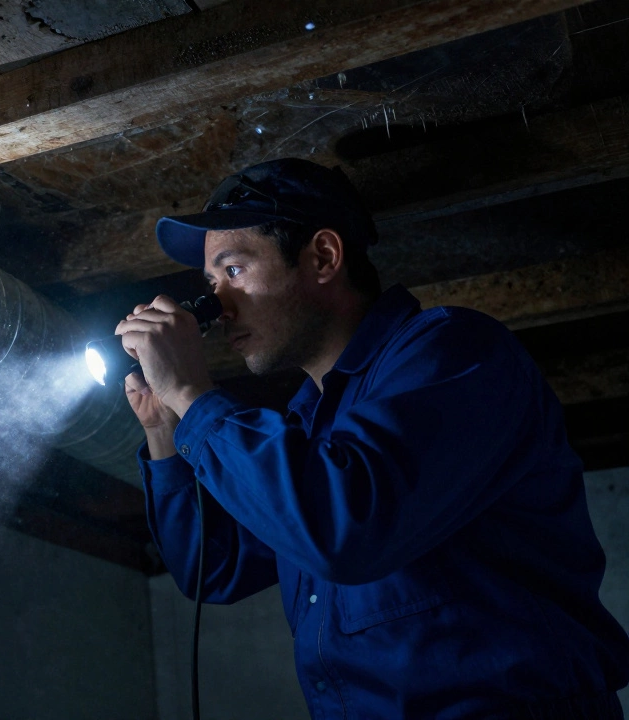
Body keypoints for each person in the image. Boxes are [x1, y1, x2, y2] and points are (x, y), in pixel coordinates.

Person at [115, 158, 629, 719]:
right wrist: (167, 430)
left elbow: (343, 526)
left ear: (323, 257)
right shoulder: (304, 428)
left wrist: (193, 392)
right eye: (211, 285)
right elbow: (214, 567)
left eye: (233, 271)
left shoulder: (453, 353)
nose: (217, 306)